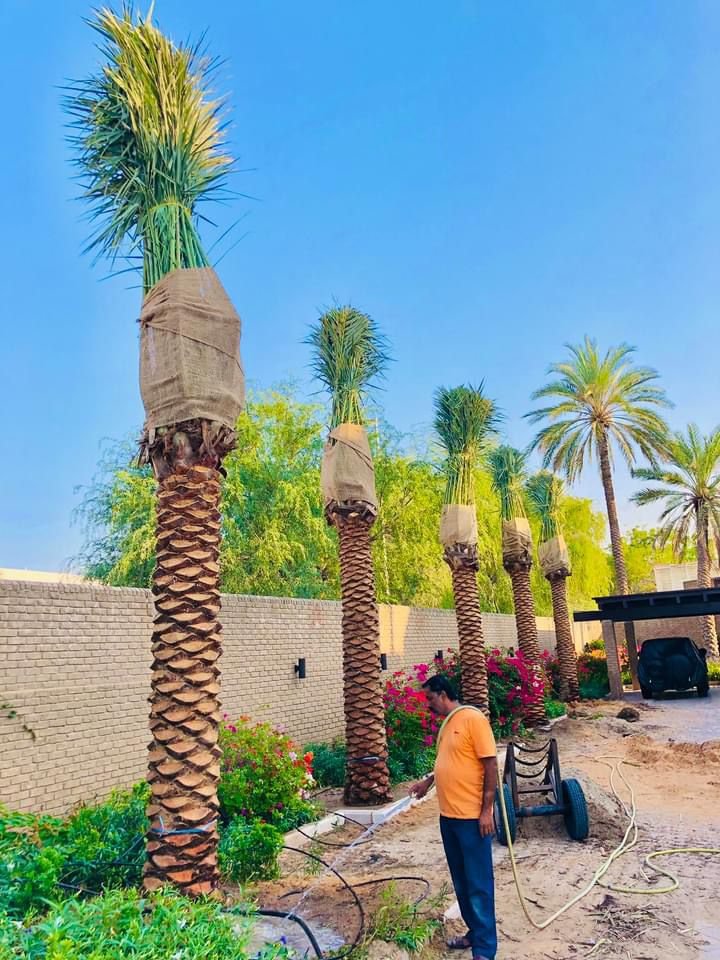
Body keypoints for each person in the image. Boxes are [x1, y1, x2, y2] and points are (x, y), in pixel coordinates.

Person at [409, 675, 497, 960]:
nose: (428, 705)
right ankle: (475, 933)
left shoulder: (472, 719)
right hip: (448, 818)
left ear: (443, 693)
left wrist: (487, 811)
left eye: (430, 699)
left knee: (478, 884)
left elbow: (490, 763)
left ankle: (485, 949)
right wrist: (428, 782)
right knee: (462, 882)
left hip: (472, 819)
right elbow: (453, 761)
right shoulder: (448, 724)